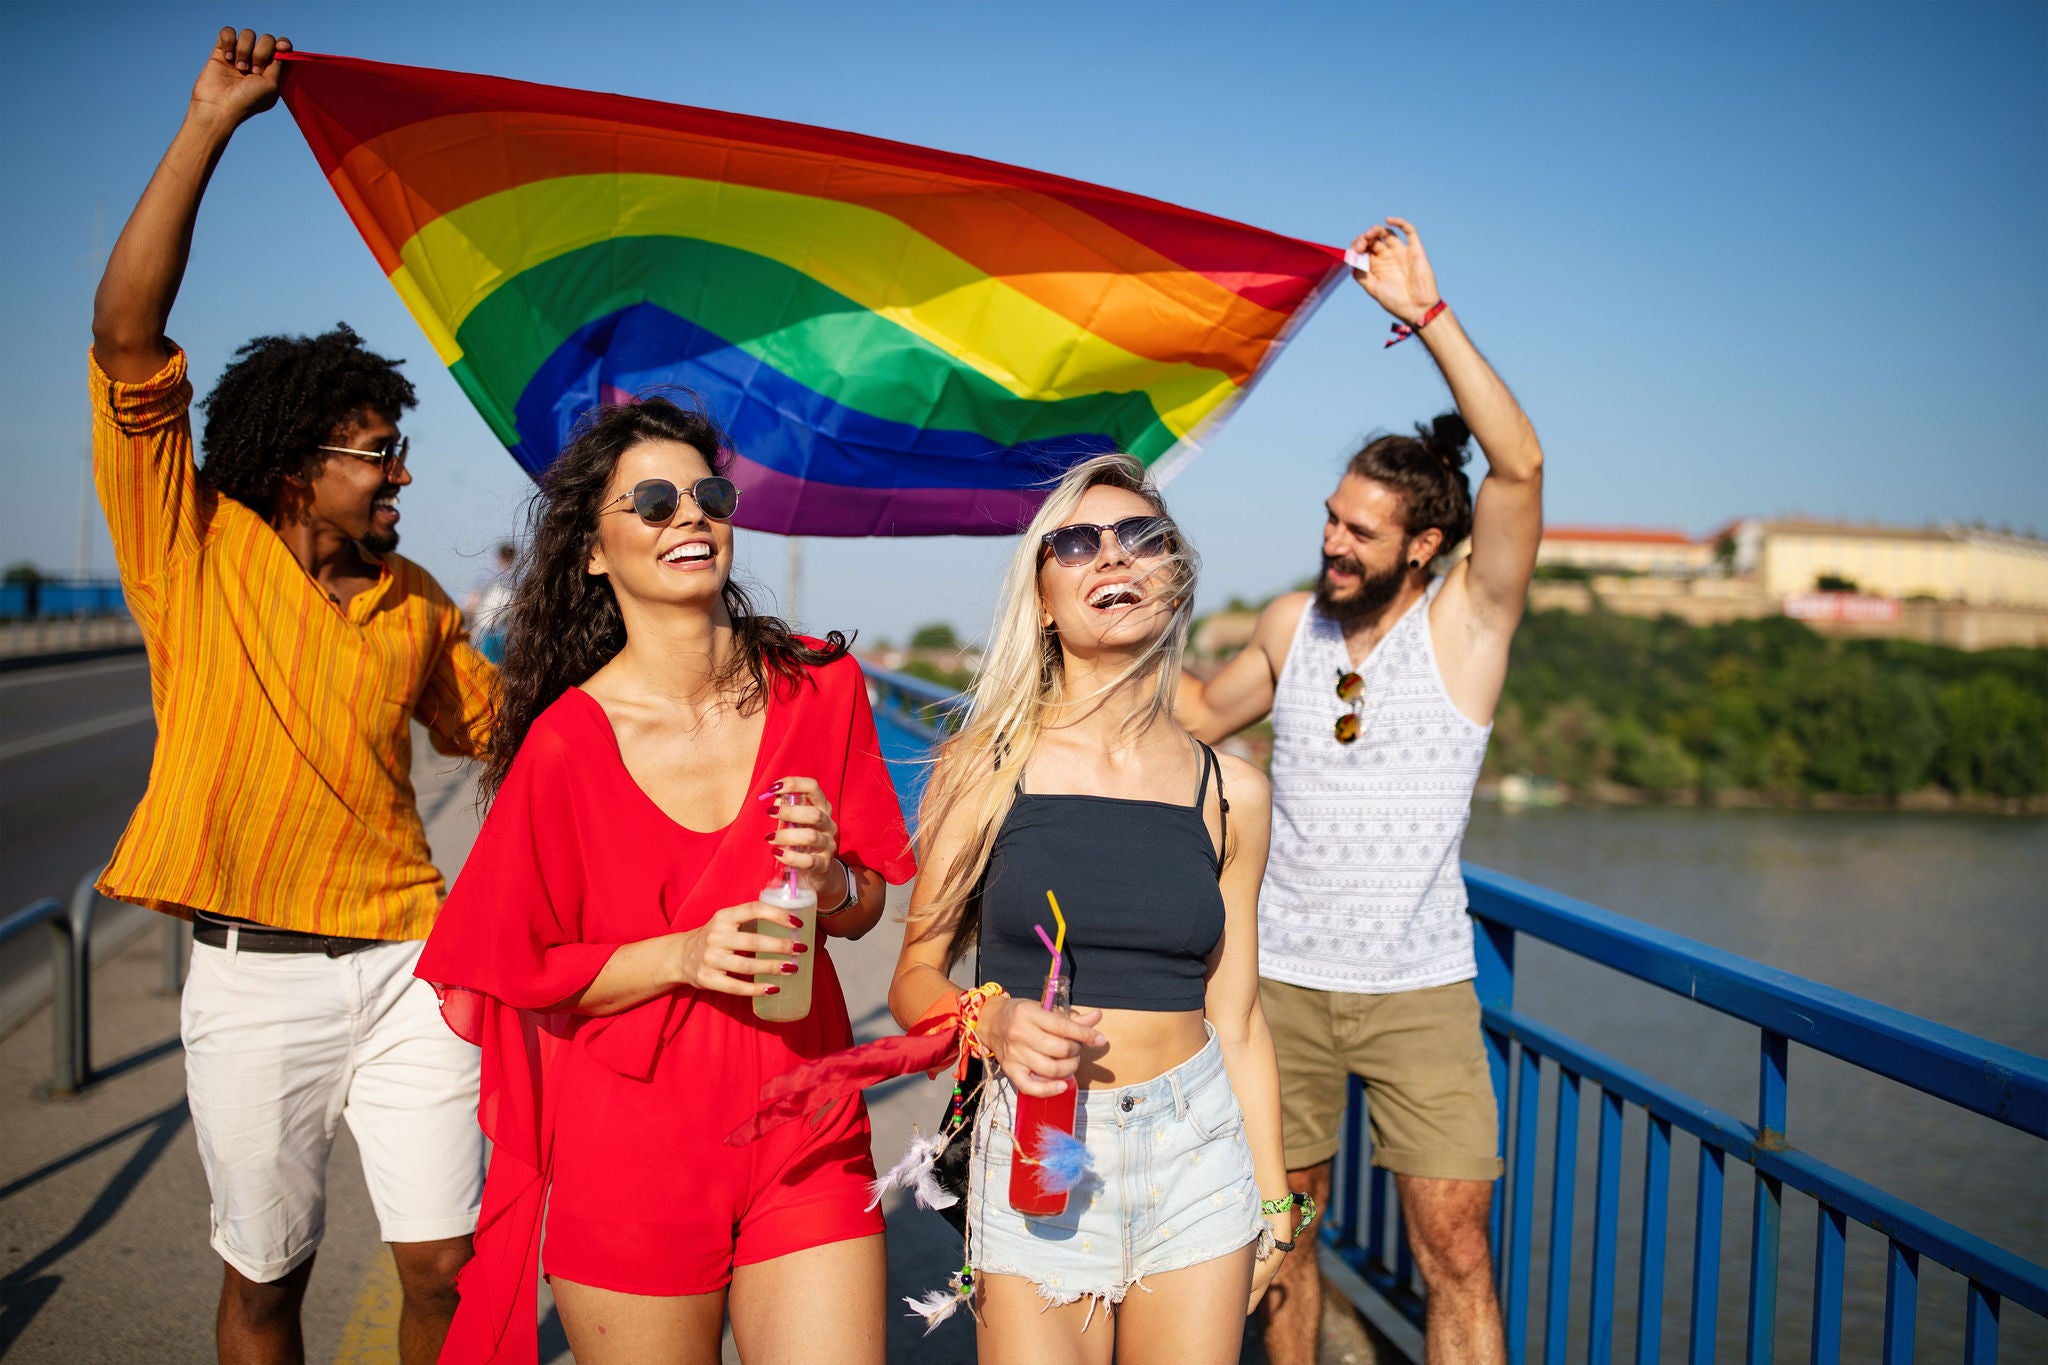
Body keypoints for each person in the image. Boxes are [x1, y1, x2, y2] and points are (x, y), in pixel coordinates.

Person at [89, 29, 498, 1365]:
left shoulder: (419, 595)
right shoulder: (192, 545)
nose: (399, 480)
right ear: (295, 461)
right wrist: (211, 120)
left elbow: (507, 727)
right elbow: (126, 338)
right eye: (379, 455)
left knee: (449, 1262)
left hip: (406, 967)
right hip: (252, 983)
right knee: (269, 1282)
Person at [415, 397, 917, 1365]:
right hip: (630, 1156)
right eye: (650, 500)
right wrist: (680, 954)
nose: (688, 513)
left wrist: (831, 886)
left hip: (804, 1131)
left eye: (707, 494)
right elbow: (517, 970)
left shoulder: (823, 688)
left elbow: (865, 908)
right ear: (594, 551)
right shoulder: (564, 744)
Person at [1176, 218, 1544, 1365]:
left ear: (1426, 543)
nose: (1330, 543)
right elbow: (1192, 717)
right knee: (1278, 1243)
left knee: (1456, 1256)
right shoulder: (1292, 624)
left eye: (1358, 531)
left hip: (1417, 988)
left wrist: (1428, 316)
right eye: (1329, 518)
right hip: (1275, 981)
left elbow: (1521, 467)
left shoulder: (1467, 627)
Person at [889, 454, 1300, 1365]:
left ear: (1175, 576)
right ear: (1042, 599)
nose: (1113, 555)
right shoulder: (982, 769)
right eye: (1076, 542)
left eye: (1142, 537)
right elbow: (913, 978)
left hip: (1198, 1145)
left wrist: (1273, 1201)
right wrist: (989, 1020)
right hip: (1040, 1142)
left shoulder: (1233, 790)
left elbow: (1238, 1018)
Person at [464, 541, 518, 664]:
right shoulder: (519, 577)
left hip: (485, 629)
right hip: (508, 634)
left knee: (483, 666)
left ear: (499, 556)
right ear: (515, 557)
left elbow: (473, 601)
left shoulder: (487, 574)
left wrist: (469, 626)